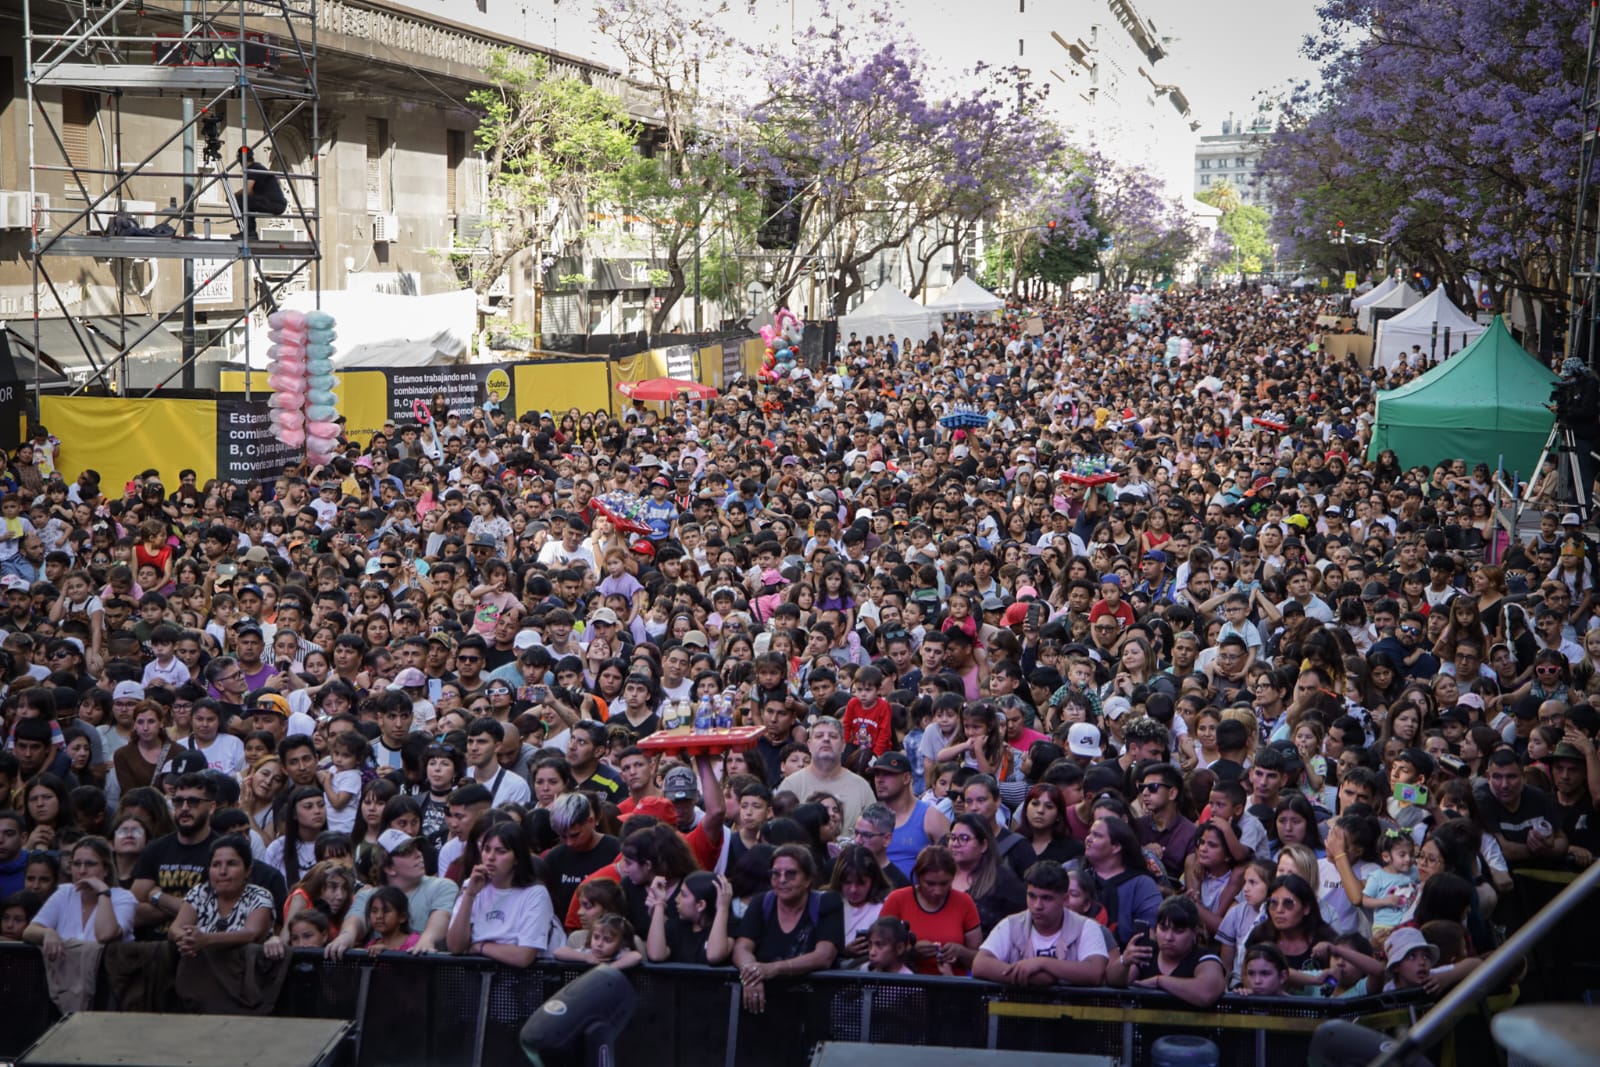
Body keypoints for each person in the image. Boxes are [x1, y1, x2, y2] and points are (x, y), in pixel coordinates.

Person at [732, 844, 844, 1013]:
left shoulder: (828, 903)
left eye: (791, 874)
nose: (782, 880)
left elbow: (824, 956)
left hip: (812, 1007)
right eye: (775, 874)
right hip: (765, 1007)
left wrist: (773, 969)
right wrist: (752, 974)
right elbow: (742, 947)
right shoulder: (761, 902)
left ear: (808, 879)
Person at [970, 860, 1110, 987]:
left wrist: (1042, 963)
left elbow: (1095, 972)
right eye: (1031, 896)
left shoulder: (1086, 927)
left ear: (1065, 899)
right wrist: (1032, 979)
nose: (1037, 905)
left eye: (1047, 898)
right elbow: (980, 964)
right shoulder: (1011, 924)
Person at [446, 820, 558, 966]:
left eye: (501, 851)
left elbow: (523, 956)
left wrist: (479, 947)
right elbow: (455, 947)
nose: (491, 857)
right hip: (475, 980)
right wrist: (469, 895)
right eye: (486, 849)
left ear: (517, 858)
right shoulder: (471, 885)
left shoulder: (535, 894)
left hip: (522, 982)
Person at [168, 834, 279, 958]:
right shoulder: (200, 892)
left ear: (248, 871)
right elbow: (175, 928)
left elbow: (252, 934)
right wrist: (188, 939)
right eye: (216, 865)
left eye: (231, 864)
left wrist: (205, 939)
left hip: (245, 973)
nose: (222, 871)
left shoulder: (259, 896)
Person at [1105, 895, 1226, 1006]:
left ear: (1194, 932)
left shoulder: (1205, 958)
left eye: (1178, 931)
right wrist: (1124, 961)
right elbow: (1114, 981)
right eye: (1163, 929)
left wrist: (1160, 981)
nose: (1169, 937)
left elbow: (1207, 993)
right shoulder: (1146, 951)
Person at [23, 835, 136, 954]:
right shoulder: (64, 892)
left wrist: (103, 891)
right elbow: (29, 931)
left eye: (90, 864)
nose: (82, 871)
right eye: (77, 864)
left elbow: (105, 935)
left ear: (106, 869)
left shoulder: (124, 898)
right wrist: (47, 933)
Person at [880, 844, 982, 975]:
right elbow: (878, 951)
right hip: (905, 986)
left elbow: (979, 959)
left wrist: (961, 952)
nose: (937, 891)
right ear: (918, 877)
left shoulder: (964, 903)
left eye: (944, 883)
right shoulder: (897, 900)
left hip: (952, 986)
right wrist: (910, 952)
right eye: (930, 884)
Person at [230, 145, 288, 239]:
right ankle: (250, 231)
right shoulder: (257, 167)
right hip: (276, 202)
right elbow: (250, 191)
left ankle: (248, 232)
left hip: (273, 203)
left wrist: (233, 196)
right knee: (246, 201)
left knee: (238, 200)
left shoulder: (252, 168)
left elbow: (247, 191)